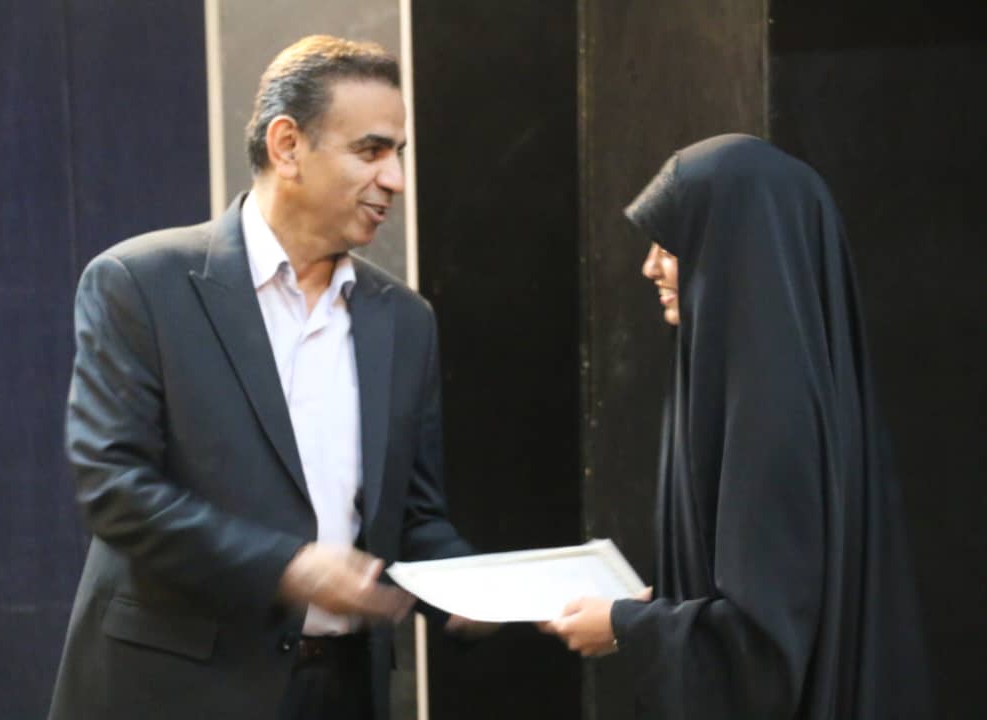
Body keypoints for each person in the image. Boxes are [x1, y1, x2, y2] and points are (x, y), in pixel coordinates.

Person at [48, 35, 479, 720]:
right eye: (371, 151)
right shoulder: (139, 284)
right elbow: (114, 488)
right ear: (287, 146)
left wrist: (479, 590)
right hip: (177, 693)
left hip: (343, 691)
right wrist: (288, 566)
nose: (395, 179)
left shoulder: (405, 320)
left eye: (398, 153)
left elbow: (414, 517)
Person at [542, 135, 931, 717]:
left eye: (670, 245)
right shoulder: (775, 383)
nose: (650, 266)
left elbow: (765, 645)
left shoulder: (771, 408)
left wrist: (627, 625)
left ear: (736, 248)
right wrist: (656, 609)